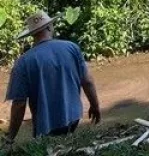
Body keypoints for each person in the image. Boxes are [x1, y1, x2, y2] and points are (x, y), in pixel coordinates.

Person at [3, 11, 101, 147]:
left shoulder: (23, 62)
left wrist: (10, 137)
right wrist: (95, 106)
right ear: (49, 27)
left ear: (32, 34)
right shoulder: (71, 48)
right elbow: (87, 81)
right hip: (72, 117)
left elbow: (19, 104)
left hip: (45, 123)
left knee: (50, 148)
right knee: (66, 145)